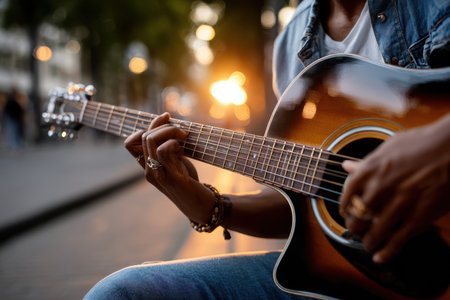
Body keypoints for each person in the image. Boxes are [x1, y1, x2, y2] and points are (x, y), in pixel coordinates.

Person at [85, 0, 450, 299]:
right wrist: (213, 207)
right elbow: (309, 200)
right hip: (354, 281)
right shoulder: (292, 39)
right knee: (120, 294)